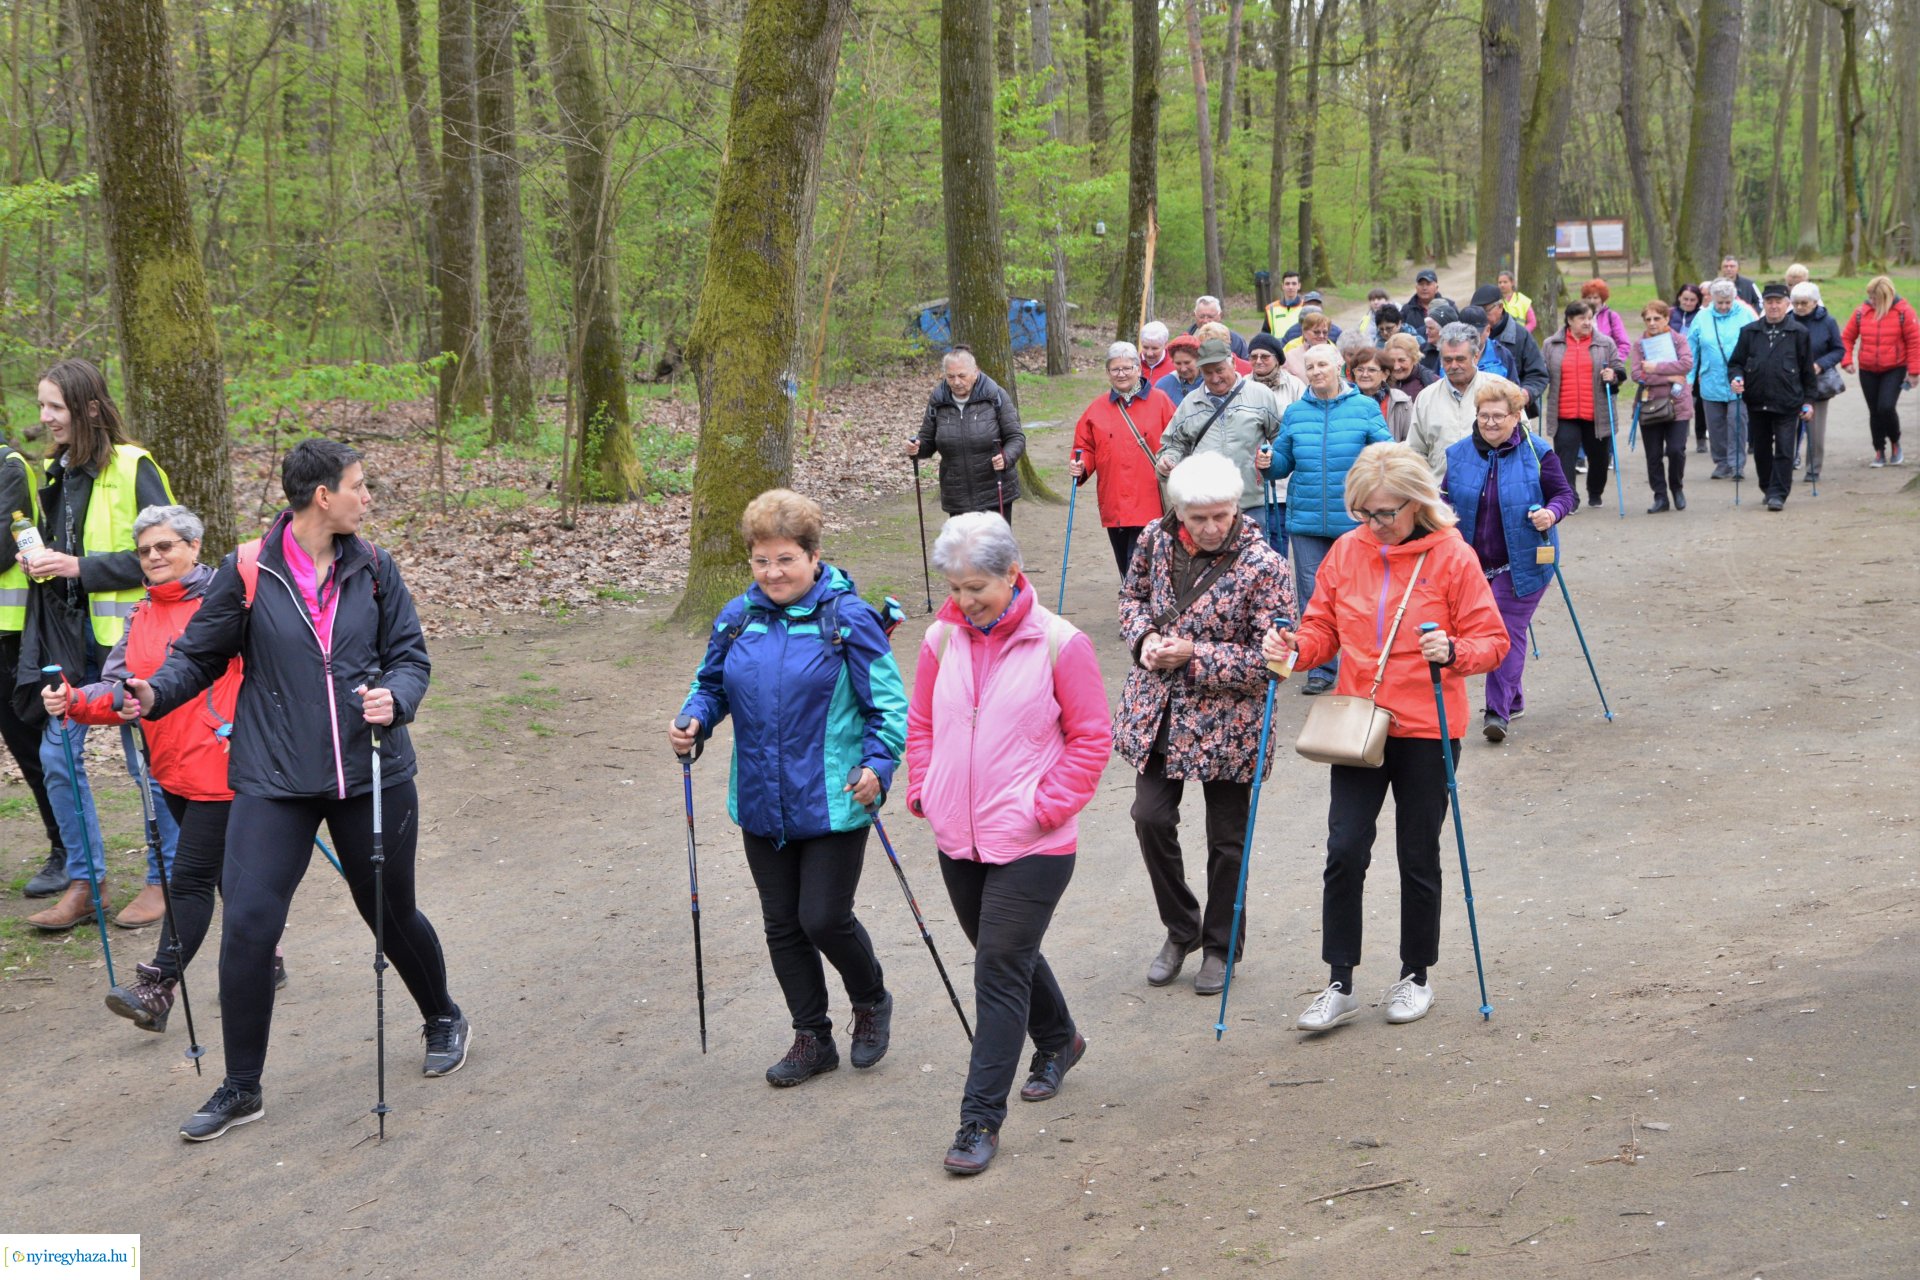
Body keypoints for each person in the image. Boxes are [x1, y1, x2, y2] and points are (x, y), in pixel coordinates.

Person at [128, 438, 467, 1143]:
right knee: (249, 924)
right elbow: (198, 656)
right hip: (275, 778)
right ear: (322, 497)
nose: (367, 497)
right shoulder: (248, 570)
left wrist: (396, 699)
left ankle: (442, 1015)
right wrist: (152, 692)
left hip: (369, 772)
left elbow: (410, 656)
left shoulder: (374, 567)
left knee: (389, 910)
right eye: (358, 485)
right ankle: (241, 1086)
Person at [1260, 443, 1508, 1032]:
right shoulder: (1349, 551)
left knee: (1417, 853)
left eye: (1385, 513)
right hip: (1357, 722)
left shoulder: (1453, 556)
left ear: (1418, 503)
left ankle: (1415, 973)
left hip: (1427, 726)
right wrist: (1294, 648)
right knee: (1344, 850)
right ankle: (1339, 982)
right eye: (1365, 513)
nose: (1374, 525)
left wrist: (1451, 652)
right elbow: (1321, 625)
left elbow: (1492, 641)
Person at [673, 488, 907, 1087]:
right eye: (761, 560)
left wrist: (878, 767)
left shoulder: (848, 619)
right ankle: (812, 1038)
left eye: (785, 559)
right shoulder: (736, 617)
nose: (773, 573)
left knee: (823, 918)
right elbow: (712, 686)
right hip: (760, 798)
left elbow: (889, 707)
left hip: (834, 796)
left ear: (813, 555)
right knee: (782, 923)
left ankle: (871, 999)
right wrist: (694, 719)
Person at [905, 513, 1110, 1176]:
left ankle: (977, 1121)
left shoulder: (1061, 643)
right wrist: (923, 787)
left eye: (978, 587)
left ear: (1013, 573)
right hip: (956, 835)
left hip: (1034, 841)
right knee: (1007, 955)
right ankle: (1059, 1039)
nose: (966, 601)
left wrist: (1046, 807)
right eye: (957, 587)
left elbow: (1091, 739)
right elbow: (923, 723)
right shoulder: (940, 639)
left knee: (996, 967)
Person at [42, 504, 253, 1033]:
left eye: (165, 546)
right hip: (169, 766)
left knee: (189, 877)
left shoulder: (227, 604)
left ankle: (158, 985)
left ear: (194, 546)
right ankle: (263, 958)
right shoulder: (141, 614)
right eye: (144, 551)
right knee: (227, 873)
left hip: (225, 764)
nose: (154, 557)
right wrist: (72, 700)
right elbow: (119, 687)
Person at [1116, 453, 1295, 994]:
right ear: (1178, 511)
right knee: (1149, 817)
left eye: (1222, 515)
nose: (1213, 527)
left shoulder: (1266, 565)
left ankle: (1220, 945)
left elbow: (1274, 663)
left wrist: (1193, 654)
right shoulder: (1152, 538)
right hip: (1162, 711)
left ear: (1236, 506)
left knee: (1227, 841)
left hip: (1230, 720)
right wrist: (1145, 639)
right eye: (1200, 518)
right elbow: (1131, 599)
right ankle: (1181, 927)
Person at [23, 359, 180, 934]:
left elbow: (172, 550)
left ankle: (167, 879)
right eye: (41, 406)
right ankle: (87, 884)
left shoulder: (134, 466)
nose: (44, 418)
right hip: (68, 640)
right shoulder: (55, 472)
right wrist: (40, 562)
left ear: (89, 408)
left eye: (55, 407)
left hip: (135, 645)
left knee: (150, 767)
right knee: (57, 756)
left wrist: (78, 566)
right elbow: (65, 549)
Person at [1442, 381, 1573, 741]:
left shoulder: (1539, 452)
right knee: (1493, 630)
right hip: (1473, 563)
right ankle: (1513, 698)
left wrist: (1551, 513)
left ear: (1517, 417)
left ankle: (1496, 712)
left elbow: (1565, 494)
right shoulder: (1459, 454)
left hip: (1526, 560)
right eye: (1484, 416)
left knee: (1500, 630)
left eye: (1499, 416)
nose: (1490, 423)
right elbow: (1443, 498)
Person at [1266, 345, 1393, 695]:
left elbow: (1386, 454)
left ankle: (1361, 662)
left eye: (1323, 364)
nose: (1317, 371)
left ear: (1339, 366)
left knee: (1359, 595)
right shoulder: (1294, 413)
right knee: (1312, 595)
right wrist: (1267, 462)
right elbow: (1282, 465)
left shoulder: (1365, 408)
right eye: (1310, 366)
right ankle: (1321, 667)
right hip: (1306, 521)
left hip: (1354, 521)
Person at [3, 421, 68, 901]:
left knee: (30, 746)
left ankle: (65, 849)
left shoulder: (10, 468)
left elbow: (4, 545)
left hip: (9, 635)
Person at [1155, 338, 1287, 542]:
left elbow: (1280, 437)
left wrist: (1271, 458)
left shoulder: (1261, 396)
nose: (1215, 378)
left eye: (1219, 370)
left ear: (1233, 364)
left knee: (1253, 565)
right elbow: (1173, 444)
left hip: (1252, 502)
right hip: (1207, 505)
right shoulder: (1190, 404)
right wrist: (1167, 462)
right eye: (1208, 372)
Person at [1070, 342, 1178, 574]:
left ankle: (1140, 605)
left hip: (1151, 499)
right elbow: (1084, 447)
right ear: (1108, 373)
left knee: (1139, 563)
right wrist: (1081, 466)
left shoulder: (1161, 402)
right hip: (1115, 501)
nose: (1121, 374)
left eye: (1127, 368)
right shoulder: (1096, 409)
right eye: (1115, 369)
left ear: (1138, 369)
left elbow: (1178, 440)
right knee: (1124, 562)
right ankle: (1135, 601)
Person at [909, 345, 1027, 526]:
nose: (956, 382)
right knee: (963, 552)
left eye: (962, 376)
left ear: (975, 372)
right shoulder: (938, 401)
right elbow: (927, 442)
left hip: (994, 491)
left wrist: (1006, 457)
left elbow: (1016, 437)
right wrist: (916, 448)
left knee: (993, 551)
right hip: (957, 495)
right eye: (950, 377)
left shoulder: (995, 396)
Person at [1727, 283, 1816, 512]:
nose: (1774, 306)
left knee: (1785, 449)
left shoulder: (1799, 333)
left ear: (1787, 305)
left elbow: (1807, 370)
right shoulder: (1749, 332)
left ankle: (1778, 493)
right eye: (1769, 302)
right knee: (1762, 450)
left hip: (1788, 402)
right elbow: (1736, 363)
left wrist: (1808, 401)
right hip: (1757, 401)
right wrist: (1736, 379)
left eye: (1778, 301)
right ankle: (1767, 487)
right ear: (1763, 304)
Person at [1541, 300, 1627, 513]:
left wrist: (1613, 375)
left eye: (1590, 318)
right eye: (1582, 319)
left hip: (1596, 413)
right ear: (1570, 320)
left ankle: (1595, 491)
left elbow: (1619, 368)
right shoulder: (1552, 344)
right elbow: (1541, 372)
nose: (1588, 322)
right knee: (1565, 457)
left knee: (1598, 458)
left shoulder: (1605, 343)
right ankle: (1569, 497)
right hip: (1564, 413)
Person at [1839, 275, 1920, 467]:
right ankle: (1879, 450)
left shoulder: (1904, 312)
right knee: (1874, 411)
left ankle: (1895, 442)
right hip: (1868, 369)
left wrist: (1914, 372)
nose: (1871, 301)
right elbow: (1846, 338)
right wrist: (1846, 360)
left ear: (1886, 297)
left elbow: (1915, 343)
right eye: (1870, 296)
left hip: (1895, 368)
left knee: (1886, 407)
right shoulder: (1861, 312)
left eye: (1875, 297)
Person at [1407, 324, 1498, 481]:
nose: (1454, 366)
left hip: (1490, 494)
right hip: (1440, 497)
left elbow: (1522, 441)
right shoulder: (1426, 398)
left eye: (1460, 359)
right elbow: (1415, 451)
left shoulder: (1499, 390)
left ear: (1476, 356)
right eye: (1448, 360)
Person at [1628, 299, 1696, 512]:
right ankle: (1660, 496)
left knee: (1676, 450)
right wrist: (1669, 377)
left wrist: (1656, 367)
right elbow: (1638, 374)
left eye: (1657, 318)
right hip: (1650, 405)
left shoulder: (1678, 340)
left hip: (1678, 404)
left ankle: (1677, 487)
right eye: (1648, 319)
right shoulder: (1639, 344)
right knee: (1653, 454)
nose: (1652, 322)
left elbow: (1686, 365)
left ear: (1667, 318)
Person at [1688, 280, 1758, 480]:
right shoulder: (1702, 317)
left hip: (1740, 380)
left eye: (1728, 302)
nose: (1724, 306)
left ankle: (1737, 464)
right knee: (1715, 424)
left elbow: (1757, 344)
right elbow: (1691, 349)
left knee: (1738, 422)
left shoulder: (1746, 314)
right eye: (1720, 303)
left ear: (1734, 298)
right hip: (1710, 379)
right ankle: (1721, 463)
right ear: (1712, 299)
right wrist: (1688, 378)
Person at [1790, 282, 1844, 485]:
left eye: (1804, 303)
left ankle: (1813, 469)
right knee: (1787, 427)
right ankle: (1785, 465)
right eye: (1795, 303)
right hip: (1790, 382)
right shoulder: (1787, 320)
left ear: (1814, 302)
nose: (1800, 307)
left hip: (1818, 383)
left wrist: (1820, 364)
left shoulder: (1828, 321)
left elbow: (1838, 350)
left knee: (1815, 431)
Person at [1473, 286, 1550, 415]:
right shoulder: (1465, 337)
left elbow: (1538, 374)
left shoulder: (1521, 336)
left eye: (1486, 311)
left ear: (1500, 307)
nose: (1481, 317)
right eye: (1476, 311)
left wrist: (1525, 394)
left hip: (1511, 412)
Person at [1671, 283, 1708, 452]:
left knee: (1699, 402)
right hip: (1673, 363)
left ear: (1698, 301)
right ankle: (1677, 438)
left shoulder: (1702, 316)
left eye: (1692, 300)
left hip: (1696, 364)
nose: (1688, 302)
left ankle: (1701, 437)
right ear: (1679, 297)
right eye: (1685, 299)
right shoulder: (1671, 314)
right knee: (1675, 399)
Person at [1351, 347, 1414, 441]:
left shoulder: (1401, 402)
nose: (1364, 374)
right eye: (1360, 370)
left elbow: (1410, 442)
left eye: (1371, 370)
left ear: (1385, 374)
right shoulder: (1345, 400)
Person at [1457, 305, 1518, 380]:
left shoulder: (1502, 355)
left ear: (1488, 330)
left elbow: (1514, 389)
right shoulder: (1446, 354)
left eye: (1474, 335)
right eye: (1464, 335)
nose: (1469, 339)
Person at [1188, 295, 1250, 360]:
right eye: (1201, 316)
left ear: (1220, 315)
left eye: (1210, 317)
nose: (1205, 321)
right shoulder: (1185, 339)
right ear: (1195, 315)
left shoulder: (1236, 341)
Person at [1580, 279, 1631, 355]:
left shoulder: (1612, 316)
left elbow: (1624, 344)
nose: (1592, 301)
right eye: (1589, 298)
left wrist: (1614, 363)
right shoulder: (1578, 316)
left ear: (1602, 299)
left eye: (1595, 297)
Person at [1282, 311, 1334, 380]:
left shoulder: (1335, 353)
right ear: (1304, 332)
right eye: (1316, 332)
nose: (1321, 336)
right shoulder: (1290, 357)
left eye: (1325, 332)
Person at [1154, 334, 1204, 404]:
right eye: (1178, 363)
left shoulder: (1210, 382)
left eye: (1187, 363)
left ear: (1199, 359)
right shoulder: (1164, 385)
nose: (1183, 369)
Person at [1385, 333, 1437, 398]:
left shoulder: (1432, 383)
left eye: (1402, 360)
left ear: (1414, 358)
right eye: (1391, 361)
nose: (1396, 367)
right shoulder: (1382, 382)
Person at [1403, 268, 1452, 336]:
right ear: (1416, 287)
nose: (1424, 288)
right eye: (1421, 284)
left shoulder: (1449, 306)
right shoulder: (1406, 310)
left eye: (1428, 284)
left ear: (1436, 288)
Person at [1261, 271, 1308, 336]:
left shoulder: (1306, 307)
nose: (1290, 287)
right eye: (1287, 284)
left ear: (1299, 286)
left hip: (1299, 346)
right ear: (1282, 286)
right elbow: (1265, 334)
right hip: (1277, 346)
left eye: (1294, 284)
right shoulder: (1271, 309)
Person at [1139, 321, 1174, 386]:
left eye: (1154, 348)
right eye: (1145, 347)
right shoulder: (1133, 364)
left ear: (1165, 345)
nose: (1149, 353)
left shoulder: (1175, 366)